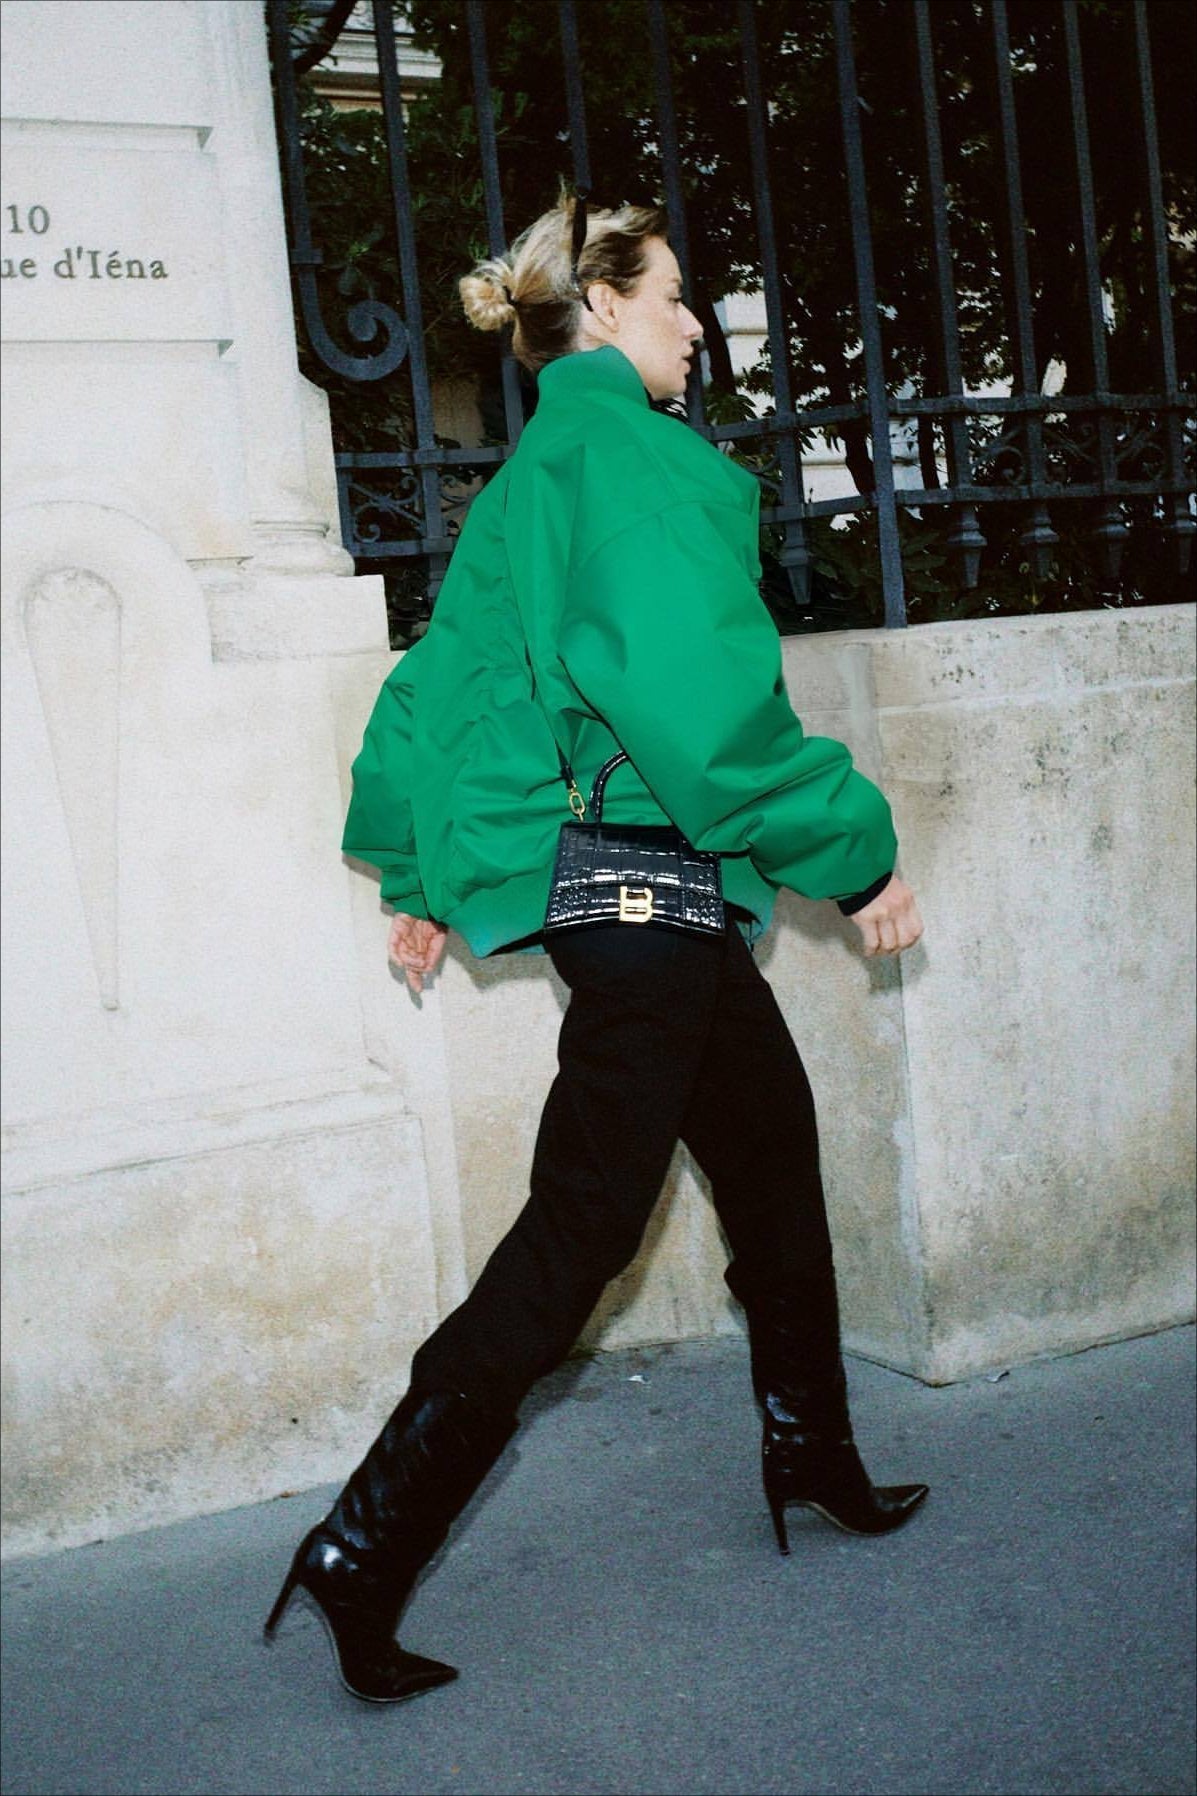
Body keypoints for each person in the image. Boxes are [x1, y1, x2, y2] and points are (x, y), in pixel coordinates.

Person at [265, 187, 927, 1706]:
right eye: (676, 295)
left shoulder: (528, 479)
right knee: (581, 1231)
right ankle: (363, 1542)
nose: (696, 325)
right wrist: (853, 851)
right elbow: (705, 710)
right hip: (650, 892)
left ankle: (809, 1450)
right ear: (609, 304)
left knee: (769, 1154)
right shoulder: (636, 462)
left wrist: (424, 866)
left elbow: (443, 690)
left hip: (628, 900)